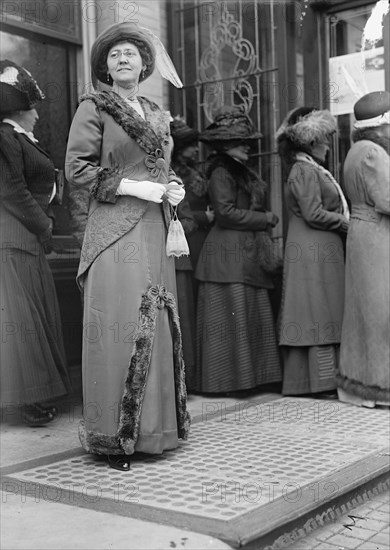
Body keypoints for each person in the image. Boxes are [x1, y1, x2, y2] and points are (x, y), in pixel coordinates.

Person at [65, 22, 190, 471]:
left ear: (144, 63)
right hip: (114, 228)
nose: (122, 59)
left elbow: (160, 168)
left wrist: (173, 186)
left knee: (154, 316)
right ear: (105, 65)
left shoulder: (157, 113)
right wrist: (135, 188)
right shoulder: (94, 106)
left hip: (156, 227)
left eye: (131, 53)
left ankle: (156, 430)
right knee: (119, 320)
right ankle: (114, 437)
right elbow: (76, 170)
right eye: (114, 54)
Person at [0, 60, 71, 425]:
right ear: (21, 110)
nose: (38, 114)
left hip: (25, 241)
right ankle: (25, 401)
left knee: (28, 322)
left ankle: (31, 398)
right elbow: (12, 191)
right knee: (20, 322)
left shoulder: (21, 139)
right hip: (12, 242)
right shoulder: (5, 137)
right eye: (33, 107)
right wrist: (44, 226)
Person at [194, 105, 282, 393]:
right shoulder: (222, 171)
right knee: (234, 316)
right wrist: (265, 218)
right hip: (228, 255)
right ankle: (229, 382)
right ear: (226, 144)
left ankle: (247, 380)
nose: (247, 145)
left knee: (245, 315)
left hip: (241, 253)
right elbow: (225, 213)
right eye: (241, 140)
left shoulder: (235, 169)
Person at [276, 107, 349, 397]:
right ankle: (317, 381)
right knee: (316, 310)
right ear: (310, 142)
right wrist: (345, 223)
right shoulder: (303, 169)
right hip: (312, 249)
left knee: (321, 308)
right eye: (324, 140)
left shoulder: (307, 167)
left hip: (318, 247)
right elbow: (313, 213)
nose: (328, 145)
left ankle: (323, 380)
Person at [337, 91, 390, 408]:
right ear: (382, 125)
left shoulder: (356, 149)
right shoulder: (374, 153)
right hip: (377, 237)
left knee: (364, 312)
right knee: (380, 312)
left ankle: (358, 386)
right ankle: (378, 386)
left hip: (362, 233)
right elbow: (386, 200)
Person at [170, 117, 214, 390]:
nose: (196, 150)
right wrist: (203, 216)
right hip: (184, 241)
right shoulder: (175, 172)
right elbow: (182, 213)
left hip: (194, 240)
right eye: (189, 146)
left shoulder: (187, 171)